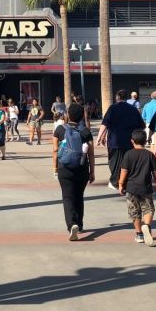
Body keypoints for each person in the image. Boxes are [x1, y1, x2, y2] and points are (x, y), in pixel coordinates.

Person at [53, 103, 95, 241]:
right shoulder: (86, 131)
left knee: (68, 198)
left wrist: (55, 168)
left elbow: (55, 150)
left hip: (64, 168)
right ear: (82, 116)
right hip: (82, 168)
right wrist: (92, 171)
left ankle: (72, 225)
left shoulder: (60, 129)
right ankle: (80, 225)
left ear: (68, 115)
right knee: (79, 196)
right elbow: (91, 153)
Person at [118, 130, 156, 246]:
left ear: (132, 141)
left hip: (131, 188)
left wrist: (121, 183)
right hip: (145, 187)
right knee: (148, 209)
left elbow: (124, 170)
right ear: (145, 141)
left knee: (135, 212)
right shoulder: (149, 155)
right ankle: (147, 226)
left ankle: (139, 234)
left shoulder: (128, 154)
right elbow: (155, 172)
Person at [98, 89, 146, 190]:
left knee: (114, 162)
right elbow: (142, 125)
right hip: (130, 140)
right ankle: (126, 181)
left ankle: (115, 182)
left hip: (114, 140)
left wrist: (100, 137)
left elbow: (105, 123)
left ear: (118, 97)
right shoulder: (133, 109)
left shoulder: (113, 108)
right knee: (128, 162)